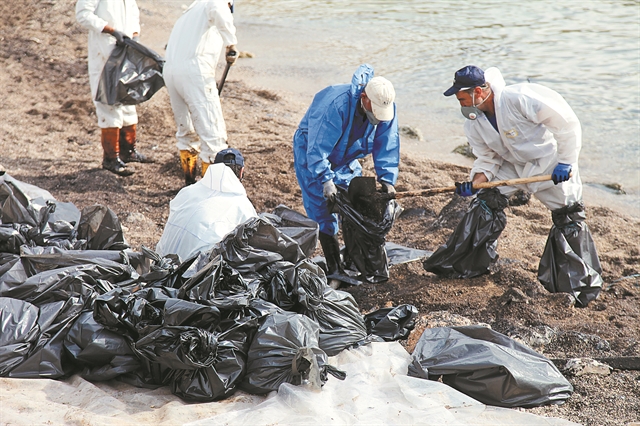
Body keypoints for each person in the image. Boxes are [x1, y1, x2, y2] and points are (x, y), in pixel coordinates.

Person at [424, 65, 602, 306]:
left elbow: (566, 124)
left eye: (463, 98)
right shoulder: (474, 124)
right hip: (511, 165)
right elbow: (488, 158)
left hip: (548, 163)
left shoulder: (519, 98)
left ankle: (577, 285)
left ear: (478, 92)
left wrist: (566, 161)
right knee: (486, 201)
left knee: (568, 215)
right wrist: (475, 184)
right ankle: (466, 264)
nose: (461, 104)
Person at [293, 63, 400, 287]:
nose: (379, 118)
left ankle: (353, 259)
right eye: (376, 113)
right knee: (323, 208)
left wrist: (387, 180)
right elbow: (317, 148)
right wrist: (326, 180)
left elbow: (386, 144)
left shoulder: (385, 107)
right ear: (364, 98)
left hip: (347, 156)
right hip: (312, 152)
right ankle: (335, 268)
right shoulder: (336, 106)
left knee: (356, 201)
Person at [163, 0, 238, 186]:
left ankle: (189, 183)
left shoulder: (189, 12)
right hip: (194, 73)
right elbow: (218, 7)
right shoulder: (216, 3)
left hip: (172, 71)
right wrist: (231, 43)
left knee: (186, 132)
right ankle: (209, 189)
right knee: (214, 137)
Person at [76, 0, 152, 177]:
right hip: (105, 51)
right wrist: (110, 30)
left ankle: (128, 151)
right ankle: (111, 158)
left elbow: (132, 13)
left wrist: (134, 36)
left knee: (127, 100)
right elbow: (83, 15)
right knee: (109, 103)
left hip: (125, 49)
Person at [156, 147, 257, 261]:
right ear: (241, 171)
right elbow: (254, 241)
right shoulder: (241, 205)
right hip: (194, 273)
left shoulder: (187, 191)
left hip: (161, 263)